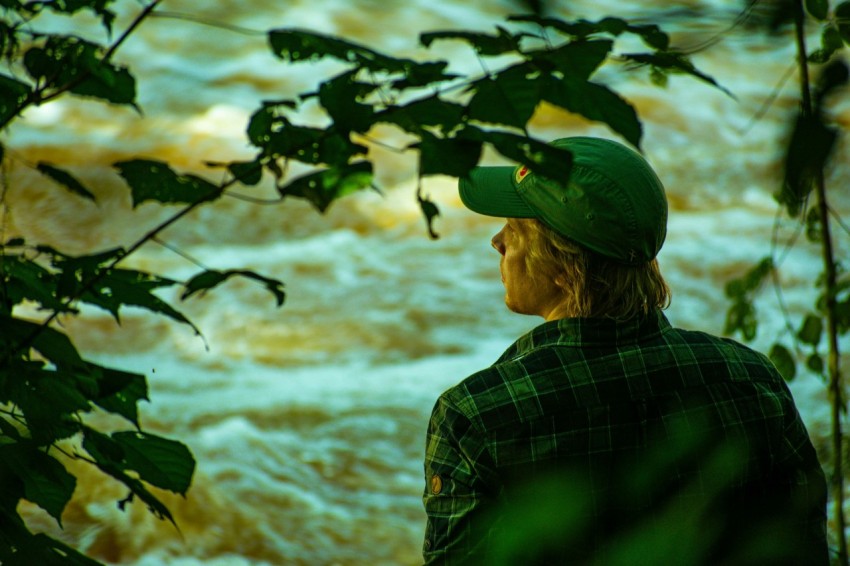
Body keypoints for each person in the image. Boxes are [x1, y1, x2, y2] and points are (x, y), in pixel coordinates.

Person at [421, 136, 828, 565]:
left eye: (514, 228)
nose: (497, 241)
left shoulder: (475, 416)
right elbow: (804, 549)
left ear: (563, 265)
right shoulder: (752, 380)